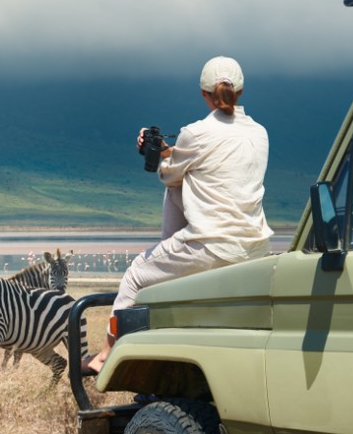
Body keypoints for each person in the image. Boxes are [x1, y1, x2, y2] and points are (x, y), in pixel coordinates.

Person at [82, 56, 273, 375]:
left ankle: (105, 354)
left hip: (210, 247)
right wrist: (169, 150)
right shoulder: (260, 133)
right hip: (255, 248)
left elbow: (170, 176)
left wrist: (153, 150)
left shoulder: (195, 133)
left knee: (134, 276)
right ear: (240, 92)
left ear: (203, 94)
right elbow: (209, 162)